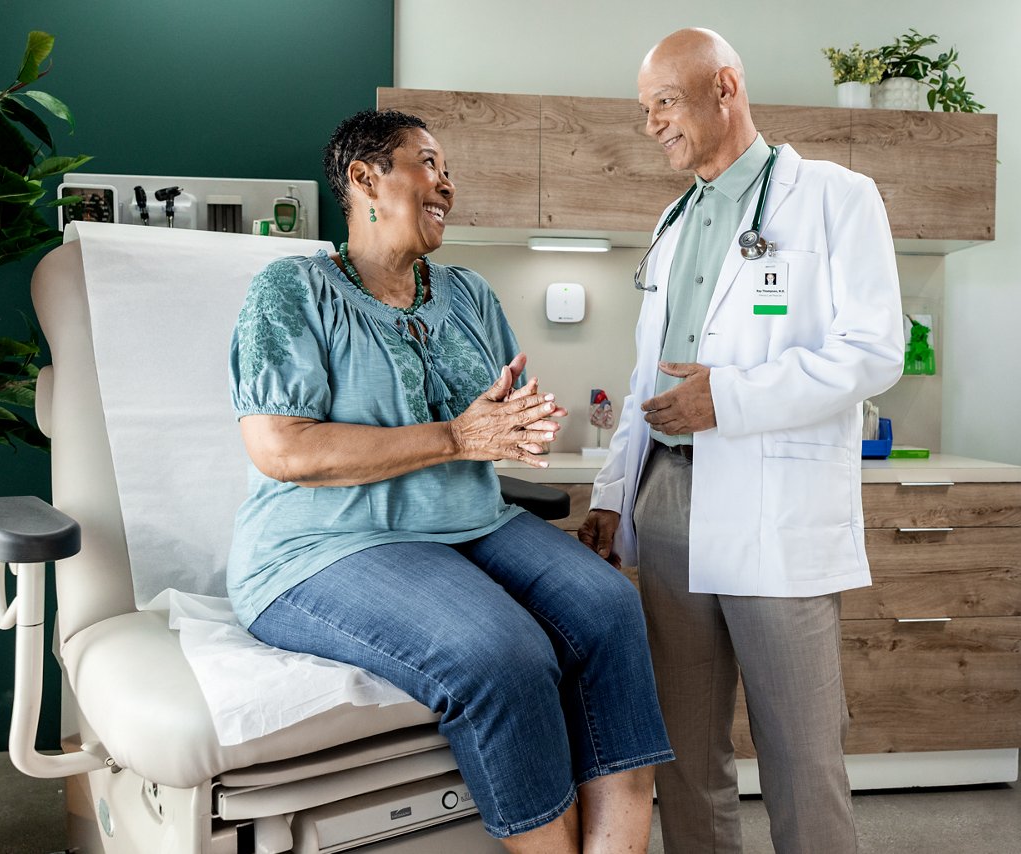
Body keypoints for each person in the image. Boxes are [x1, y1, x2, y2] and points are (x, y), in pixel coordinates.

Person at [227, 108, 672, 854]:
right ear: (363, 177)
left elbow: (490, 418)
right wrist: (457, 436)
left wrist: (514, 428)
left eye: (448, 170)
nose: (447, 184)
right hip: (325, 546)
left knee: (610, 609)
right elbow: (283, 450)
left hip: (473, 521)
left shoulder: (466, 293)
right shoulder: (292, 289)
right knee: (504, 652)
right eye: (427, 164)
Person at [578, 28, 904, 854]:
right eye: (645, 108)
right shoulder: (674, 219)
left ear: (724, 88)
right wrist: (615, 496)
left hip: (773, 505)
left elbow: (875, 351)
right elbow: (646, 372)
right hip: (670, 501)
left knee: (802, 754)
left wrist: (731, 397)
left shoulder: (835, 197)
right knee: (686, 754)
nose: (652, 124)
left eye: (665, 102)